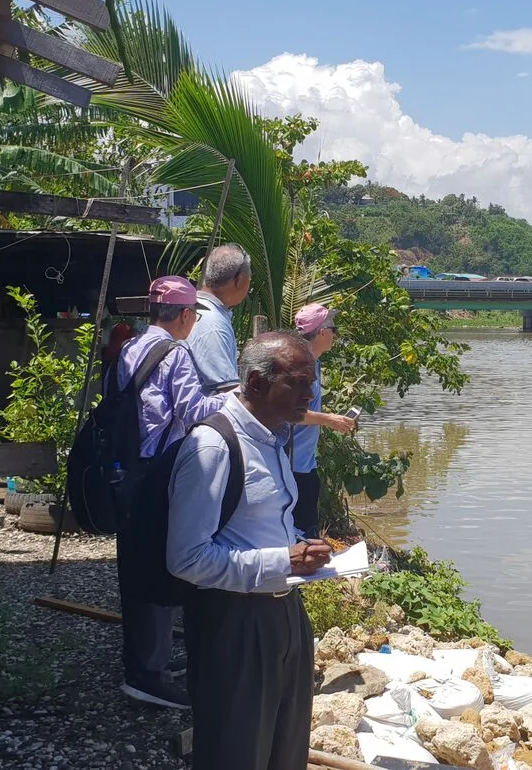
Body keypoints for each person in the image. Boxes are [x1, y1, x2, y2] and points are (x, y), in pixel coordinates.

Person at [167, 332, 333, 770]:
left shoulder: (274, 437)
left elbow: (261, 523)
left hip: (285, 610)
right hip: (234, 621)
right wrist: (283, 560)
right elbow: (186, 558)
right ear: (257, 383)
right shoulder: (213, 446)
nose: (310, 393)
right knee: (236, 749)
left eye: (310, 382)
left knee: (285, 744)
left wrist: (301, 546)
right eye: (298, 383)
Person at [115, 275, 228, 710]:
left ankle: (146, 660)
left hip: (127, 471)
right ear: (184, 316)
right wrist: (234, 402)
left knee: (135, 564)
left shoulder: (130, 346)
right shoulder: (176, 352)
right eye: (193, 317)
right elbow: (194, 411)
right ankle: (147, 676)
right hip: (158, 474)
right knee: (159, 567)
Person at [289, 304, 356, 537]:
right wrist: (329, 419)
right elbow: (292, 414)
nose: (335, 334)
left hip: (305, 462)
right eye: (333, 328)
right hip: (291, 464)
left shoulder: (313, 362)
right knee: (302, 534)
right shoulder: (300, 367)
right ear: (322, 333)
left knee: (309, 527)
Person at [186, 243, 252, 394]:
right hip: (204, 416)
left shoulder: (195, 308)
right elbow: (227, 391)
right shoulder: (213, 324)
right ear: (241, 280)